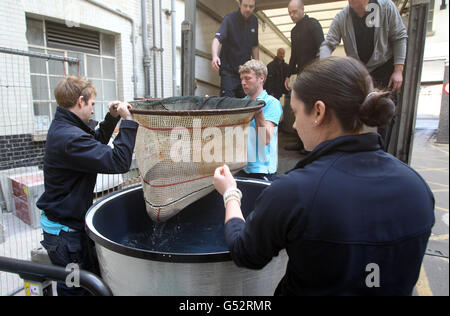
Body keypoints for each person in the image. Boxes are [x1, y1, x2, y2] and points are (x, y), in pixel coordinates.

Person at [213, 56, 435, 296]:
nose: (295, 126)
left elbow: (245, 252)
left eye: (296, 113)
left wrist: (230, 194)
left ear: (318, 111)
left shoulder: (294, 192)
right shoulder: (417, 187)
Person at [37, 76, 139, 296]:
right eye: (92, 104)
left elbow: (94, 142)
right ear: (81, 101)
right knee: (73, 288)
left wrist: (112, 118)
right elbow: (119, 161)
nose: (93, 110)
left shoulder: (68, 127)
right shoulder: (69, 138)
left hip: (68, 229)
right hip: (65, 237)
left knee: (89, 284)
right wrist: (128, 121)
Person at [320, 0, 408, 150]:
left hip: (384, 67)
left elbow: (399, 37)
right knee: (355, 110)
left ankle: (380, 152)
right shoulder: (342, 16)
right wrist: (322, 65)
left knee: (384, 112)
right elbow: (328, 43)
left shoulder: (385, 7)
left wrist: (398, 70)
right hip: (360, 71)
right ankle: (357, 151)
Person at [284, 0, 324, 154]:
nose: (292, 15)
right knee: (300, 107)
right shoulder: (294, 32)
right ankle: (300, 142)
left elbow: (322, 47)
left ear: (302, 9)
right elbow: (293, 55)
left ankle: (312, 145)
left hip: (314, 73)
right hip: (301, 74)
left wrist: (319, 70)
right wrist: (288, 75)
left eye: (294, 12)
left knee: (312, 108)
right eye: (289, 13)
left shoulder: (313, 24)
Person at [234, 59, 282, 182]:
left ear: (261, 78)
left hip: (261, 170)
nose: (243, 83)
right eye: (242, 79)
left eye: (248, 78)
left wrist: (258, 111)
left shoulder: (272, 103)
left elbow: (265, 139)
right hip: (241, 167)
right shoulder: (241, 103)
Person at [211, 0, 259, 98]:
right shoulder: (229, 19)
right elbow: (217, 39)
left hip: (245, 72)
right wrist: (214, 56)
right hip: (229, 72)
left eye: (251, 6)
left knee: (244, 104)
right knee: (228, 103)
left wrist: (257, 65)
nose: (248, 9)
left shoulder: (254, 21)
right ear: (239, 4)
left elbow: (254, 45)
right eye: (245, 6)